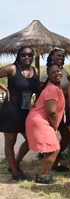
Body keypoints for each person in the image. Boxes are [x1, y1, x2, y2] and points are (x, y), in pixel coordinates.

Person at [0, 46, 39, 181]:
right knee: (10, 142)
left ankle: (14, 164)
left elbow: (39, 90)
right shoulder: (12, 68)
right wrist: (5, 88)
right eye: (23, 55)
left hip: (26, 109)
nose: (27, 57)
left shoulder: (36, 71)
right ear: (19, 56)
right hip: (10, 108)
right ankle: (16, 174)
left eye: (30, 54)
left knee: (31, 140)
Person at [26, 63, 65, 184]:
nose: (57, 73)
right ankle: (42, 176)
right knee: (54, 149)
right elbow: (52, 112)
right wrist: (55, 127)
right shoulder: (52, 88)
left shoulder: (54, 87)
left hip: (38, 120)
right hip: (41, 121)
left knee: (52, 148)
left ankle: (43, 173)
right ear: (48, 75)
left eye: (58, 70)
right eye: (53, 73)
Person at [40, 47, 70, 172]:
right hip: (50, 110)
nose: (61, 58)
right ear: (52, 57)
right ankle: (50, 165)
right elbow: (41, 92)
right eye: (58, 55)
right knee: (53, 135)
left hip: (63, 110)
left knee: (67, 135)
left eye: (63, 56)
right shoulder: (45, 73)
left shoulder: (63, 72)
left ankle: (56, 158)